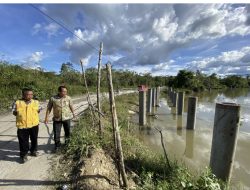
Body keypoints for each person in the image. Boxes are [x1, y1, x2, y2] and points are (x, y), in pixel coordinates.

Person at [12, 88, 41, 163]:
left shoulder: (36, 102)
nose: (30, 96)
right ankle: (23, 155)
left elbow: (38, 110)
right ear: (23, 95)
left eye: (31, 94)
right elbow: (14, 112)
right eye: (28, 94)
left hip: (34, 125)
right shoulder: (17, 102)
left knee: (34, 139)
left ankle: (33, 151)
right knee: (23, 141)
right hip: (22, 125)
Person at [44, 85, 75, 151]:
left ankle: (67, 144)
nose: (65, 93)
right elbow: (49, 108)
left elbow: (71, 106)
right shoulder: (53, 98)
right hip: (57, 118)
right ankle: (57, 146)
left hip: (67, 118)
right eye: (64, 91)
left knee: (67, 132)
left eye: (66, 91)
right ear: (59, 91)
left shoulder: (68, 98)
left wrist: (73, 113)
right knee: (56, 133)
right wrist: (46, 117)